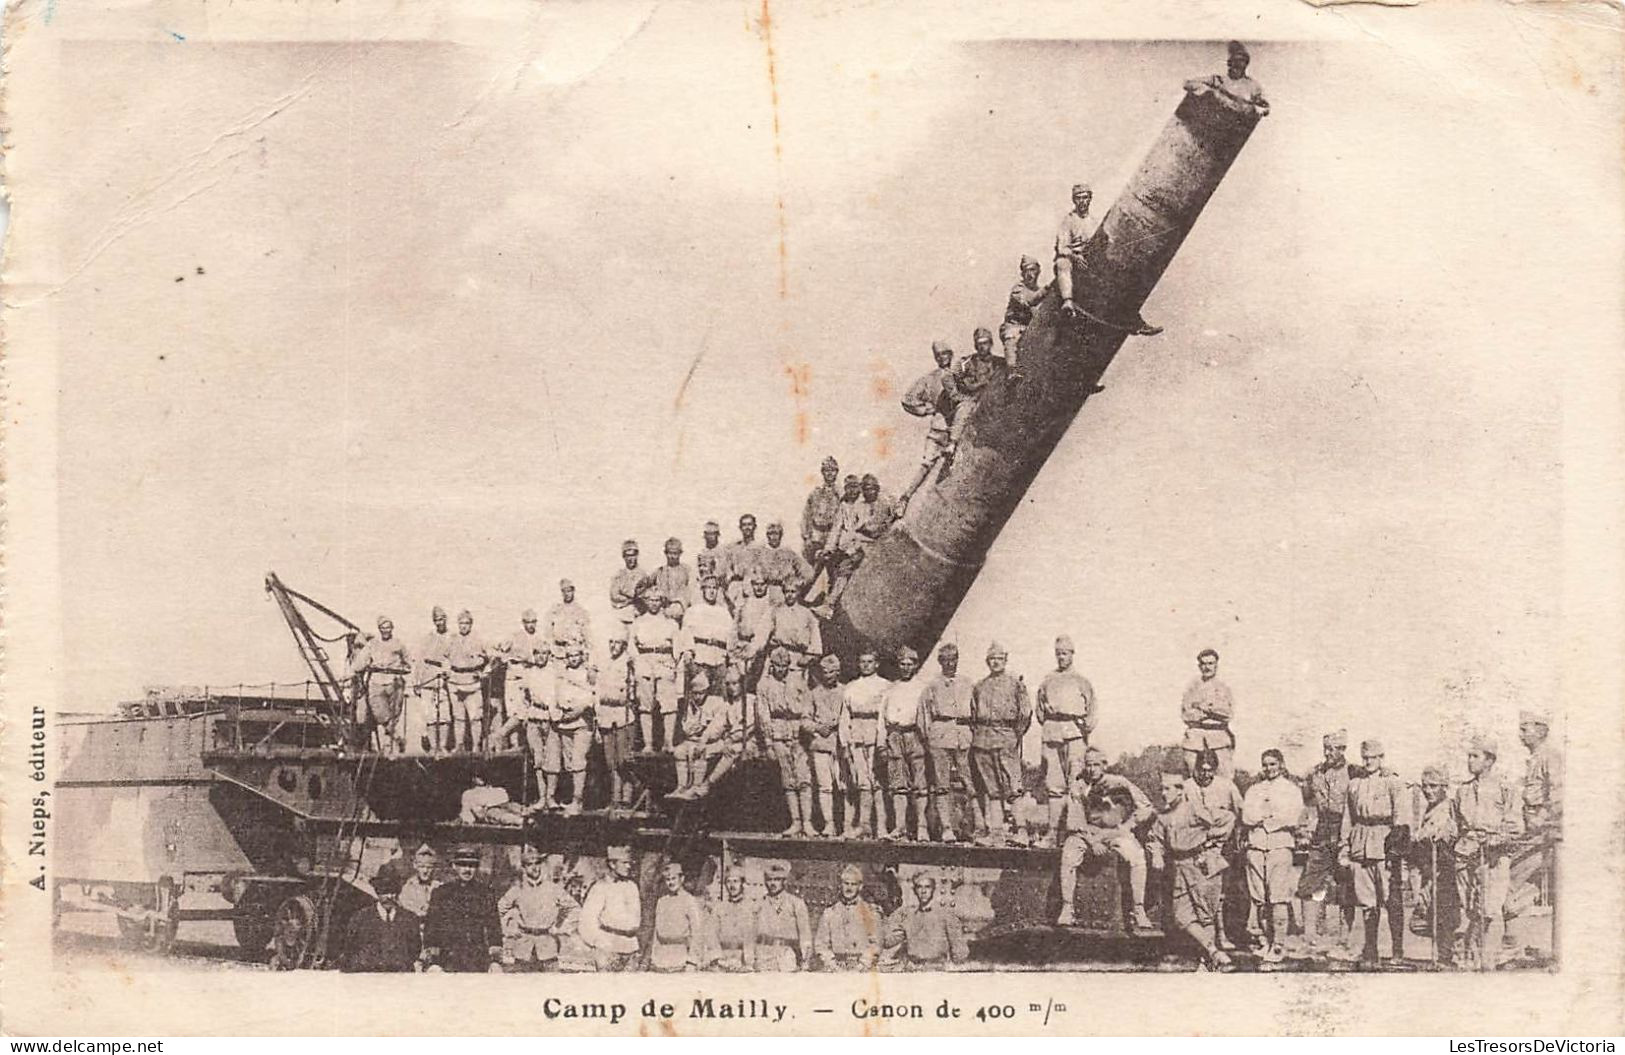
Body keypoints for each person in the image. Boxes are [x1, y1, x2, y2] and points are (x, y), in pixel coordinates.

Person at [1057, 747, 1156, 931]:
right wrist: (1093, 841)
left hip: (1114, 832)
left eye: (1096, 764)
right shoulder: (1078, 786)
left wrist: (1127, 826)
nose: (1092, 769)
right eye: (1088, 765)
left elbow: (1146, 807)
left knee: (1137, 856)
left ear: (1104, 765)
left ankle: (1138, 909)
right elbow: (1074, 821)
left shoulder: (1119, 782)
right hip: (1088, 832)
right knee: (1069, 853)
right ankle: (1067, 906)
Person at [1145, 772, 1231, 969]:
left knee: (1205, 915)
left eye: (1167, 789)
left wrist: (1211, 842)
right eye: (1162, 789)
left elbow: (1227, 819)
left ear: (1180, 790)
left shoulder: (1194, 809)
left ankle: (1208, 962)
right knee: (1181, 916)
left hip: (1201, 864)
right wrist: (1157, 855)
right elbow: (1154, 839)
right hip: (1179, 867)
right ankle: (1214, 952)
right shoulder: (1163, 816)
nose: (1163, 793)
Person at [1454, 735, 1524, 968]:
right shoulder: (1463, 790)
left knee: (1491, 909)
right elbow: (1455, 824)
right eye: (1469, 756)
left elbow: (1515, 824)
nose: (1470, 761)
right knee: (1473, 909)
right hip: (1466, 854)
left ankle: (1489, 961)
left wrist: (1497, 839)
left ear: (1489, 760)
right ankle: (1474, 956)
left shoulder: (1505, 787)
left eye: (1475, 756)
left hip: (1493, 856)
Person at [1340, 739, 1411, 966]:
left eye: (1373, 757)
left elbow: (1401, 817)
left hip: (1384, 842)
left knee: (1391, 898)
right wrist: (1345, 847)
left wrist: (1396, 850)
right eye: (1366, 758)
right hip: (1361, 843)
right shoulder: (1354, 784)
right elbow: (1347, 819)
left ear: (1382, 757)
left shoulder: (1393, 783)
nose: (1369, 762)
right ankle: (1370, 950)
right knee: (1367, 900)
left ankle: (1397, 950)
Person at [1297, 729, 1357, 953]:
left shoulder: (1354, 772)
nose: (1328, 753)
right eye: (1326, 748)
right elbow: (1306, 799)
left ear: (1343, 749)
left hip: (1346, 829)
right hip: (1322, 830)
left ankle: (1346, 937)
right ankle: (1310, 936)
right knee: (1311, 882)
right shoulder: (1315, 773)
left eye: (1333, 749)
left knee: (1345, 885)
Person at [1241, 748, 1303, 963]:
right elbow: (1247, 815)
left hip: (1280, 845)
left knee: (1278, 897)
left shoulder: (1291, 790)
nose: (1269, 768)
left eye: (1273, 764)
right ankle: (1265, 941)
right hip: (1256, 845)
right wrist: (1266, 816)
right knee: (1259, 898)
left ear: (1281, 764)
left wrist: (1267, 818)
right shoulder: (1254, 790)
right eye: (1265, 764)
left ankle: (1279, 945)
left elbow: (1292, 816)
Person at [1035, 635, 1097, 846]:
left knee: (1076, 784)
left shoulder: (1082, 681)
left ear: (1072, 654)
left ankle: (1075, 833)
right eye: (1058, 653)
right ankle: (1052, 833)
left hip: (1074, 733)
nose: (1061, 657)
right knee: (1054, 785)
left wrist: (1081, 729)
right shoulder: (1047, 680)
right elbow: (1040, 711)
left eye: (1065, 653)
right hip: (1052, 732)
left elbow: (1092, 712)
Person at [971, 641, 1031, 846]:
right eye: (992, 659)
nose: (995, 662)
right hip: (982, 739)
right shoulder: (980, 686)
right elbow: (972, 714)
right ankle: (996, 833)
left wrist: (1014, 735)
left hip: (1005, 737)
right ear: (987, 661)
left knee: (1013, 787)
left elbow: (1025, 714)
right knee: (992, 789)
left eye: (999, 659)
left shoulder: (1015, 684)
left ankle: (1021, 830)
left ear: (1005, 660)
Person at [896, 341, 966, 517]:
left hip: (960, 425)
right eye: (939, 355)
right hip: (939, 427)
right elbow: (908, 399)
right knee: (926, 464)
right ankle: (905, 498)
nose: (943, 358)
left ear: (951, 354)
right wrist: (927, 409)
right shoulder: (929, 379)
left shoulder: (961, 370)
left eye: (946, 354)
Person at [1182, 749, 1243, 947]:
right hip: (1195, 846)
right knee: (1199, 893)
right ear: (1196, 768)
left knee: (1219, 894)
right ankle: (1204, 939)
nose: (1205, 774)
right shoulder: (1187, 787)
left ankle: (1222, 936)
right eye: (1202, 769)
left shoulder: (1227, 786)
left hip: (1221, 847)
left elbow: (1240, 812)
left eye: (1210, 770)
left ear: (1215, 770)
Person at [919, 643, 978, 843]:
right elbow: (924, 715)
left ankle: (974, 825)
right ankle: (946, 828)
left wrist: (972, 734)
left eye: (953, 659)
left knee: (968, 782)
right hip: (940, 734)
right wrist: (930, 739)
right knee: (941, 783)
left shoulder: (968, 683)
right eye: (946, 660)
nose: (950, 663)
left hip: (963, 734)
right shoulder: (932, 685)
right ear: (940, 662)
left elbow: (976, 711)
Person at [1409, 765, 1462, 966]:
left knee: (1444, 916)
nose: (1428, 791)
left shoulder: (1449, 807)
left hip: (1445, 870)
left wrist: (1440, 836)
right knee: (1422, 920)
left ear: (1444, 786)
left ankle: (1447, 955)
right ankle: (1449, 949)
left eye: (1433, 786)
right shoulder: (1429, 808)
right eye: (1425, 786)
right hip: (1429, 870)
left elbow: (1451, 831)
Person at [759, 647, 814, 837]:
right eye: (777, 666)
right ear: (771, 666)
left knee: (804, 777)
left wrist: (806, 724)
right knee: (788, 780)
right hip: (778, 731)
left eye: (784, 666)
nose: (781, 669)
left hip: (798, 729)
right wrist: (768, 741)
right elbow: (763, 714)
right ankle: (795, 822)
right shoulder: (764, 685)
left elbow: (807, 703)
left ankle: (808, 822)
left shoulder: (798, 681)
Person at [1510, 708, 1561, 913]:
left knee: (1515, 878)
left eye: (1525, 730)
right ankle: (1509, 936)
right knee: (1513, 877)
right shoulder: (1535, 758)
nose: (1520, 735)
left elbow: (1558, 794)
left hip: (1543, 830)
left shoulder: (1550, 756)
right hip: (1531, 827)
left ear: (1540, 731)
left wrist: (1542, 818)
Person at [838, 648, 892, 838]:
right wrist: (845, 743)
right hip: (857, 737)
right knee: (862, 782)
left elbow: (885, 716)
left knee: (877, 783)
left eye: (870, 661)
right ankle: (864, 824)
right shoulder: (851, 687)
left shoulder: (886, 686)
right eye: (862, 662)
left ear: (877, 664)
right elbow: (844, 717)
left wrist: (882, 741)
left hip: (876, 736)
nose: (866, 665)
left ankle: (882, 827)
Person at [423, 846, 502, 973]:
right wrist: (433, 962)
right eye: (463, 865)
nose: (467, 869)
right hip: (448, 960)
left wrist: (495, 961)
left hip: (477, 960)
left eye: (471, 865)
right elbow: (431, 927)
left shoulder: (486, 893)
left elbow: (494, 927)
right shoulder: (441, 893)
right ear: (454, 866)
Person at [498, 844, 573, 972]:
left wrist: (559, 926)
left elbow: (573, 908)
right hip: (523, 946)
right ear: (524, 867)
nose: (534, 868)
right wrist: (511, 927)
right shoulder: (517, 889)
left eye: (537, 863)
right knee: (522, 986)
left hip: (547, 945)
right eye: (529, 864)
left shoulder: (553, 888)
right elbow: (500, 908)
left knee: (550, 985)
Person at [883, 645, 931, 842]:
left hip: (915, 735)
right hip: (895, 735)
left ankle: (922, 827)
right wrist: (882, 741)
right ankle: (899, 827)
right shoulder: (891, 688)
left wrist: (926, 740)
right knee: (898, 784)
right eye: (902, 664)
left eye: (909, 664)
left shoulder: (922, 688)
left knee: (920, 783)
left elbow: (927, 716)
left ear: (916, 665)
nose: (905, 668)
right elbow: (882, 717)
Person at [543, 639, 596, 814]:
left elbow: (591, 698)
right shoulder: (560, 675)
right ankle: (569, 798)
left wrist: (577, 711)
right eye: (569, 656)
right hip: (564, 723)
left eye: (576, 655)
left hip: (581, 723)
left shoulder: (587, 674)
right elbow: (552, 697)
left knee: (578, 761)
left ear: (581, 656)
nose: (573, 659)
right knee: (568, 763)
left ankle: (578, 801)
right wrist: (558, 714)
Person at [347, 616, 411, 754]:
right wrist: (348, 675)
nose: (385, 631)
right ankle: (398, 737)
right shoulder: (372, 644)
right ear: (379, 629)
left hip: (394, 681)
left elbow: (409, 663)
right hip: (376, 681)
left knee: (394, 714)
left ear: (392, 628)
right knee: (379, 713)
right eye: (383, 628)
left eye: (388, 627)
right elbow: (360, 663)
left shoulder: (399, 644)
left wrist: (402, 671)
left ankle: (388, 747)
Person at [881, 872, 968, 970]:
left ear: (933, 889)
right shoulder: (909, 916)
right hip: (913, 969)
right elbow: (889, 941)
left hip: (937, 969)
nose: (923, 891)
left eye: (927, 887)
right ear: (914, 891)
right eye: (919, 887)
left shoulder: (946, 915)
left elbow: (960, 950)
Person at [340, 870, 422, 972]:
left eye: (393, 892)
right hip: (367, 974)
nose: (389, 897)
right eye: (384, 892)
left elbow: (414, 949)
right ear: (377, 893)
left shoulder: (409, 918)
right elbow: (350, 948)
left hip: (400, 976)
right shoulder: (361, 918)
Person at [578, 845, 642, 971]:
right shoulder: (600, 887)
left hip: (631, 949)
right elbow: (586, 921)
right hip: (608, 950)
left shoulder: (632, 887)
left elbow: (636, 919)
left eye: (629, 863)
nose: (628, 866)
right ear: (612, 864)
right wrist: (599, 943)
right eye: (624, 863)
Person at [631, 592, 681, 753]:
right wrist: (637, 661)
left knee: (669, 703)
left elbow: (678, 646)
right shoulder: (638, 622)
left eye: (657, 600)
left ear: (662, 601)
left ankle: (668, 742)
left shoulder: (670, 623)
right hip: (644, 660)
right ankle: (648, 744)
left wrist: (674, 664)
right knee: (645, 705)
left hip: (664, 660)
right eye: (650, 600)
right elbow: (631, 645)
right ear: (646, 601)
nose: (653, 603)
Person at [596, 629, 637, 811]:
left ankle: (626, 799)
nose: (614, 646)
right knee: (610, 762)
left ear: (624, 645)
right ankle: (615, 799)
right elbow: (598, 692)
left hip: (623, 717)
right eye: (611, 642)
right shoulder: (604, 663)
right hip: (606, 716)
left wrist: (617, 697)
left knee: (623, 760)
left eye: (618, 642)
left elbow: (629, 694)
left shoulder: (628, 664)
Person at [671, 671, 729, 799]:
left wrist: (704, 732)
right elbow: (686, 726)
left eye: (701, 693)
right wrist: (694, 729)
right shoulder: (690, 704)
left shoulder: (717, 703)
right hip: (692, 740)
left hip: (713, 742)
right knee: (679, 751)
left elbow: (717, 727)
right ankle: (681, 786)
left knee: (697, 751)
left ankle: (696, 786)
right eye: (695, 693)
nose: (698, 696)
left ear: (707, 691)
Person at [813, 865, 882, 970]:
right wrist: (832, 965)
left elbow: (876, 944)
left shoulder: (870, 912)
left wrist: (862, 965)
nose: (849, 888)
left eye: (853, 884)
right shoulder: (830, 912)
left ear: (860, 886)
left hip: (862, 969)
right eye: (846, 883)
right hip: (835, 968)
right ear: (841, 885)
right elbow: (821, 944)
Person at [806, 654, 845, 837]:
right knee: (824, 786)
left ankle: (846, 823)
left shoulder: (845, 692)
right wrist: (818, 727)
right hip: (821, 744)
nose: (828, 675)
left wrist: (838, 724)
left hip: (841, 744)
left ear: (838, 672)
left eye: (832, 672)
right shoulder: (813, 694)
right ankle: (829, 823)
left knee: (844, 785)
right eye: (825, 672)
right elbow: (804, 720)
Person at [1181, 649, 1236, 776]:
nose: (1207, 667)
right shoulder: (1192, 688)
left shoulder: (1223, 688)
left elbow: (1227, 714)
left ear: (1216, 665)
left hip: (1218, 735)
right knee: (1192, 776)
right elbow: (1187, 715)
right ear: (1199, 666)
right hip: (1195, 736)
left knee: (1224, 777)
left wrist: (1204, 708)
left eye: (1211, 663)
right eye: (1204, 664)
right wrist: (1213, 711)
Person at [753, 576, 822, 676]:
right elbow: (762, 632)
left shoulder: (807, 614)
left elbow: (815, 638)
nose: (789, 595)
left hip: (797, 660)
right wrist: (756, 647)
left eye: (793, 592)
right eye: (786, 591)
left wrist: (809, 656)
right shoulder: (774, 611)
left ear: (798, 592)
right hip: (776, 658)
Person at [750, 860, 812, 971]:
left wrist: (805, 961)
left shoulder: (796, 903)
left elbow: (805, 935)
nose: (773, 883)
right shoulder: (758, 904)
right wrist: (750, 959)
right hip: (764, 957)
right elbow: (751, 935)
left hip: (787, 956)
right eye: (769, 880)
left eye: (777, 879)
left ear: (784, 881)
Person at [678, 575, 735, 693]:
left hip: (718, 658)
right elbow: (686, 633)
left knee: (718, 698)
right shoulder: (693, 611)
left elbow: (731, 636)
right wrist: (689, 654)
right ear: (702, 590)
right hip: (699, 659)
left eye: (714, 588)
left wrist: (729, 658)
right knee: (698, 695)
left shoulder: (724, 612)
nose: (712, 591)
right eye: (708, 588)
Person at [444, 610, 490, 752]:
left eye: (466, 623)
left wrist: (485, 672)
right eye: (461, 623)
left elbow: (491, 659)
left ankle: (476, 746)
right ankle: (459, 745)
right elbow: (445, 658)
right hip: (455, 682)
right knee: (458, 717)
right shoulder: (451, 639)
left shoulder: (478, 640)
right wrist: (446, 671)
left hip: (472, 682)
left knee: (475, 717)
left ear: (471, 624)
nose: (463, 626)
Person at [650, 861, 707, 972]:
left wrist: (692, 961)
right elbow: (656, 933)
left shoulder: (689, 900)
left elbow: (697, 932)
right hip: (661, 959)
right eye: (668, 879)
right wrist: (654, 957)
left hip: (681, 957)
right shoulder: (662, 901)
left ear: (682, 879)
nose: (671, 883)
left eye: (673, 878)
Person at [1184, 41, 1269, 115]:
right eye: (1234, 62)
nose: (1237, 66)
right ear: (1229, 64)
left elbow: (1265, 107)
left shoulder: (1253, 87)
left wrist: (1255, 109)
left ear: (1246, 64)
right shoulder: (1218, 80)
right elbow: (1188, 83)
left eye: (1241, 62)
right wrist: (1206, 90)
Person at [413, 606, 453, 754]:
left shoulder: (452, 637)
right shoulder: (427, 638)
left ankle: (442, 745)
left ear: (446, 619)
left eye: (442, 619)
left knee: (444, 714)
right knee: (429, 715)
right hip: (428, 678)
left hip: (444, 679)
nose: (439, 622)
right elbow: (419, 659)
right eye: (436, 620)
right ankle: (433, 746)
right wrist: (416, 681)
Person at [999, 254, 1046, 376]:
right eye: (1026, 271)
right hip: (1015, 325)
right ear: (1022, 274)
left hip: (1032, 327)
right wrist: (1047, 290)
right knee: (1011, 337)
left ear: (1038, 271)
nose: (1030, 274)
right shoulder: (1018, 289)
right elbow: (1029, 301)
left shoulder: (1039, 290)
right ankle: (1012, 371)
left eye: (1033, 270)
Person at [705, 870, 756, 971]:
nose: (732, 885)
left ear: (742, 884)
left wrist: (749, 962)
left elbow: (753, 936)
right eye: (729, 881)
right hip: (723, 960)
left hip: (744, 961)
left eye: (736, 881)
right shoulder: (719, 908)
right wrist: (719, 959)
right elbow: (712, 935)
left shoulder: (752, 907)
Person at [731, 574, 775, 684]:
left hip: (758, 650)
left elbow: (763, 631)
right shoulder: (745, 602)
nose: (759, 588)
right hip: (741, 646)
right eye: (756, 584)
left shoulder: (769, 605)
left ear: (767, 585)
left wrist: (752, 648)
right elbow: (735, 625)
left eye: (762, 584)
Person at [801, 455, 843, 564]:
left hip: (834, 537)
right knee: (810, 572)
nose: (829, 473)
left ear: (837, 472)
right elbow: (806, 516)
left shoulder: (841, 494)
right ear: (822, 472)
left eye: (832, 470)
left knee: (834, 572)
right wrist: (806, 537)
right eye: (826, 470)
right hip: (816, 536)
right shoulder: (816, 493)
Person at [759, 520, 810, 605]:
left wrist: (796, 583)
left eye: (776, 534)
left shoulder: (788, 553)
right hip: (764, 592)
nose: (774, 537)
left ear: (781, 536)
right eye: (771, 534)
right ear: (767, 536)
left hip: (782, 593)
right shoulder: (761, 553)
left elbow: (808, 572)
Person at [721, 514, 767, 608]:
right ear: (740, 527)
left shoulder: (761, 548)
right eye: (744, 525)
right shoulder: (734, 548)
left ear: (754, 526)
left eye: (750, 524)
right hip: (736, 588)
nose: (747, 528)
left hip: (753, 589)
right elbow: (727, 569)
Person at [610, 540, 652, 639]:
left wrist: (627, 594)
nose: (630, 559)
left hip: (639, 614)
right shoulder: (619, 575)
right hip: (622, 614)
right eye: (627, 555)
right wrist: (631, 598)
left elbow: (646, 595)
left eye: (633, 555)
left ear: (637, 555)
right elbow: (614, 596)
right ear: (623, 557)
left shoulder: (643, 575)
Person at [546, 579, 593, 661]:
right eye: (564, 591)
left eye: (569, 591)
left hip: (575, 653)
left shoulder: (580, 611)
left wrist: (586, 652)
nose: (566, 594)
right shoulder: (556, 610)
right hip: (559, 652)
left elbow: (587, 634)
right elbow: (548, 632)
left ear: (573, 591)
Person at [956, 327, 1000, 407]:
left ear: (991, 344)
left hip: (997, 399)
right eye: (979, 344)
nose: (982, 347)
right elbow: (963, 385)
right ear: (975, 345)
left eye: (985, 343)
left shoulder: (999, 362)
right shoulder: (967, 363)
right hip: (975, 401)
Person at [398, 842, 442, 921]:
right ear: (415, 866)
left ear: (434, 868)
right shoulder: (408, 887)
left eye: (429, 867)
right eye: (421, 866)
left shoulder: (439, 887)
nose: (425, 871)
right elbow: (405, 907)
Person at [653, 537, 693, 612]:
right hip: (662, 608)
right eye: (669, 553)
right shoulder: (659, 572)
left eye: (675, 553)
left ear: (680, 553)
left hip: (681, 608)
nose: (672, 556)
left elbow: (690, 591)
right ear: (665, 553)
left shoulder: (687, 570)